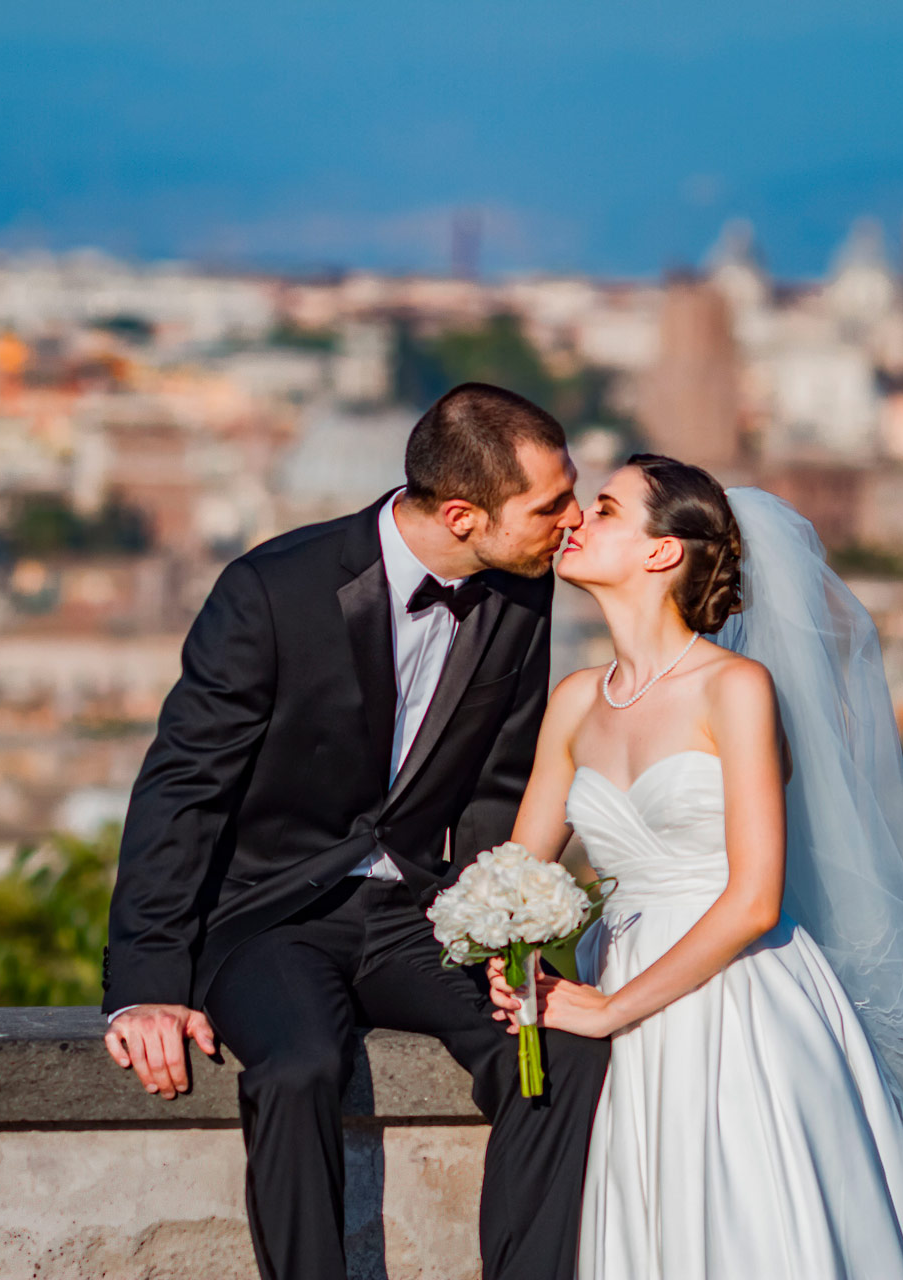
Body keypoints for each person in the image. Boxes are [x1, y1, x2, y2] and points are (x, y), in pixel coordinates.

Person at [490, 454, 903, 1278]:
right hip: (621, 983)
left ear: (662, 553)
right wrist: (509, 959)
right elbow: (517, 876)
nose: (576, 519)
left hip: (736, 997)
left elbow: (754, 899)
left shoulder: (735, 689)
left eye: (605, 509)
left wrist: (610, 1012)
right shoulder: (576, 700)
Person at [102, 383, 613, 1280]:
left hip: (419, 917)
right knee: (298, 1068)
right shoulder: (269, 590)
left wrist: (505, 939)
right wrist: (144, 982)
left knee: (558, 1054)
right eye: (551, 504)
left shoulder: (522, 598)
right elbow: (181, 791)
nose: (572, 521)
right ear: (463, 516)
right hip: (268, 919)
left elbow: (497, 787)